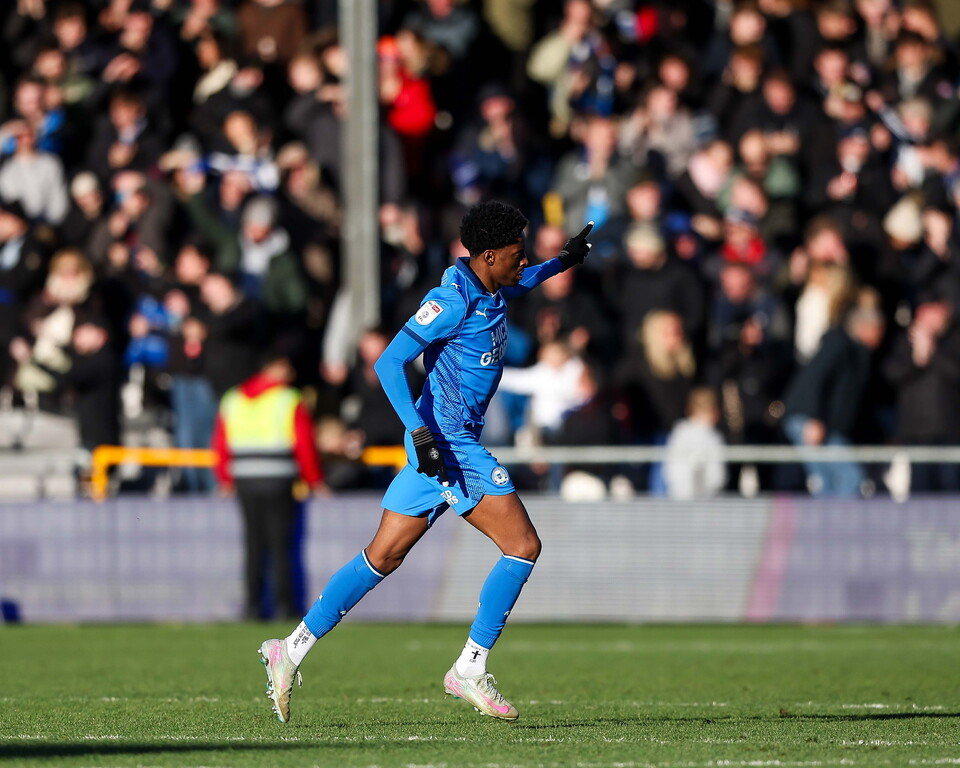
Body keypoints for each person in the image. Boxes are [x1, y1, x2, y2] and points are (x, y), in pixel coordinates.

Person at [257, 201, 593, 723]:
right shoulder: (451, 300)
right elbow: (388, 361)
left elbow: (525, 282)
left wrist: (564, 261)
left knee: (381, 558)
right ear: (486, 256)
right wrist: (418, 431)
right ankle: (470, 669)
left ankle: (290, 648)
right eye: (516, 255)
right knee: (523, 545)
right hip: (449, 444)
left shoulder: (493, 286)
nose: (523, 264)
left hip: (439, 448)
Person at [211, 351, 327, 620]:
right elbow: (304, 444)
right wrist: (315, 480)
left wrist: (225, 479)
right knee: (281, 545)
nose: (290, 375)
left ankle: (252, 607)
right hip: (278, 477)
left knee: (253, 544)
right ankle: (285, 607)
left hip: (244, 479)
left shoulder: (233, 398)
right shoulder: (288, 399)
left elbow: (220, 442)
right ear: (272, 368)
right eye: (286, 368)